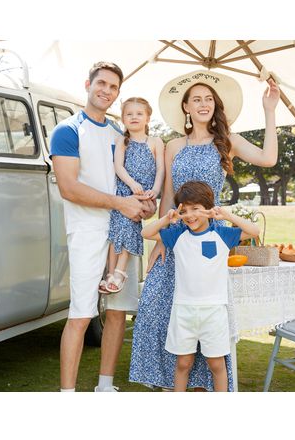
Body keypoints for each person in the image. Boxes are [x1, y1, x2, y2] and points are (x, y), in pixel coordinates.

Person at [129, 69, 280, 391]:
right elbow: (169, 195)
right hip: (178, 232)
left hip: (210, 232)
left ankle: (207, 383)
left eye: (208, 98)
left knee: (207, 307)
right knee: (159, 303)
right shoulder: (173, 146)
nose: (203, 103)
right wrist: (159, 241)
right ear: (185, 107)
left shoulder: (228, 141)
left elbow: (268, 158)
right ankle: (171, 381)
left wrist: (270, 110)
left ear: (215, 105)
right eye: (196, 99)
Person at [50, 61, 155, 392]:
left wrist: (143, 203)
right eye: (102, 83)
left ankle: (104, 387)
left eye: (113, 87)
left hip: (122, 234)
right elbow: (69, 188)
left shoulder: (119, 135)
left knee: (117, 313)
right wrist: (120, 203)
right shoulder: (67, 130)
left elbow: (132, 183)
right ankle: (68, 393)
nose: (106, 90)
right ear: (88, 84)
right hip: (86, 233)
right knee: (81, 315)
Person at [141, 180, 260, 391]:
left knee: (216, 363)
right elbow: (146, 233)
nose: (190, 215)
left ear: (208, 208)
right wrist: (167, 219)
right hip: (183, 310)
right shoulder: (177, 235)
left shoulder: (222, 235)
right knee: (183, 363)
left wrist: (227, 216)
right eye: (185, 210)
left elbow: (254, 230)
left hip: (214, 312)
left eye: (196, 208)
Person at [100, 97, 165, 294]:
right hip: (124, 191)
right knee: (116, 231)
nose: (134, 117)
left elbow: (161, 169)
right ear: (123, 118)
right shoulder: (122, 140)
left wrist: (154, 189)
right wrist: (132, 184)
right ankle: (112, 274)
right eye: (129, 114)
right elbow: (118, 166)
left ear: (147, 118)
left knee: (128, 225)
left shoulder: (155, 141)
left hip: (144, 195)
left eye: (139, 113)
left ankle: (119, 272)